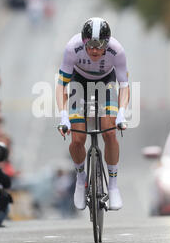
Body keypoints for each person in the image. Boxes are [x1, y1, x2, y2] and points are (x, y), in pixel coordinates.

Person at [56, 17, 130, 211]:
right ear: (83, 41)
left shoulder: (117, 51)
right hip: (77, 83)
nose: (95, 51)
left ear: (108, 43)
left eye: (100, 46)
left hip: (106, 83)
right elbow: (61, 85)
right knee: (78, 138)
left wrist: (121, 113)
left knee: (110, 132)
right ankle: (81, 181)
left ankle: (113, 187)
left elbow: (124, 85)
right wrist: (64, 116)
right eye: (91, 46)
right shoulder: (72, 48)